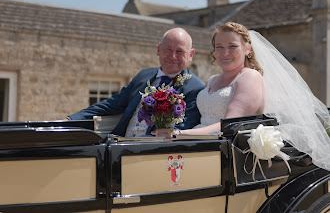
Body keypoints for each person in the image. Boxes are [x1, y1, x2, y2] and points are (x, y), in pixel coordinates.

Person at [157, 22, 330, 171]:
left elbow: (230, 124)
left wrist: (182, 134)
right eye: (219, 47)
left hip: (225, 152)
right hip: (198, 143)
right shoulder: (212, 80)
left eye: (232, 46)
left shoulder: (250, 77)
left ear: (247, 49)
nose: (225, 53)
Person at [67, 27, 205, 137]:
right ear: (158, 49)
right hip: (118, 144)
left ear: (191, 55)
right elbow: (112, 104)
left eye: (180, 51)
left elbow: (179, 131)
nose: (172, 56)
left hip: (154, 154)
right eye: (168, 49)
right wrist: (72, 120)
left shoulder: (195, 88)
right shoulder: (143, 75)